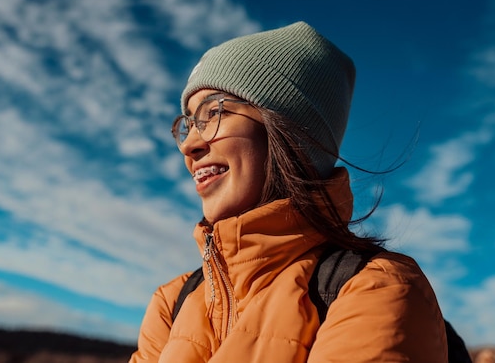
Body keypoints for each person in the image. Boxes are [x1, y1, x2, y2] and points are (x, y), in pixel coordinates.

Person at [129, 21, 448, 362]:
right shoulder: (171, 302)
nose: (189, 144)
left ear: (287, 131)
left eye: (215, 112)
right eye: (189, 123)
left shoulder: (376, 288)